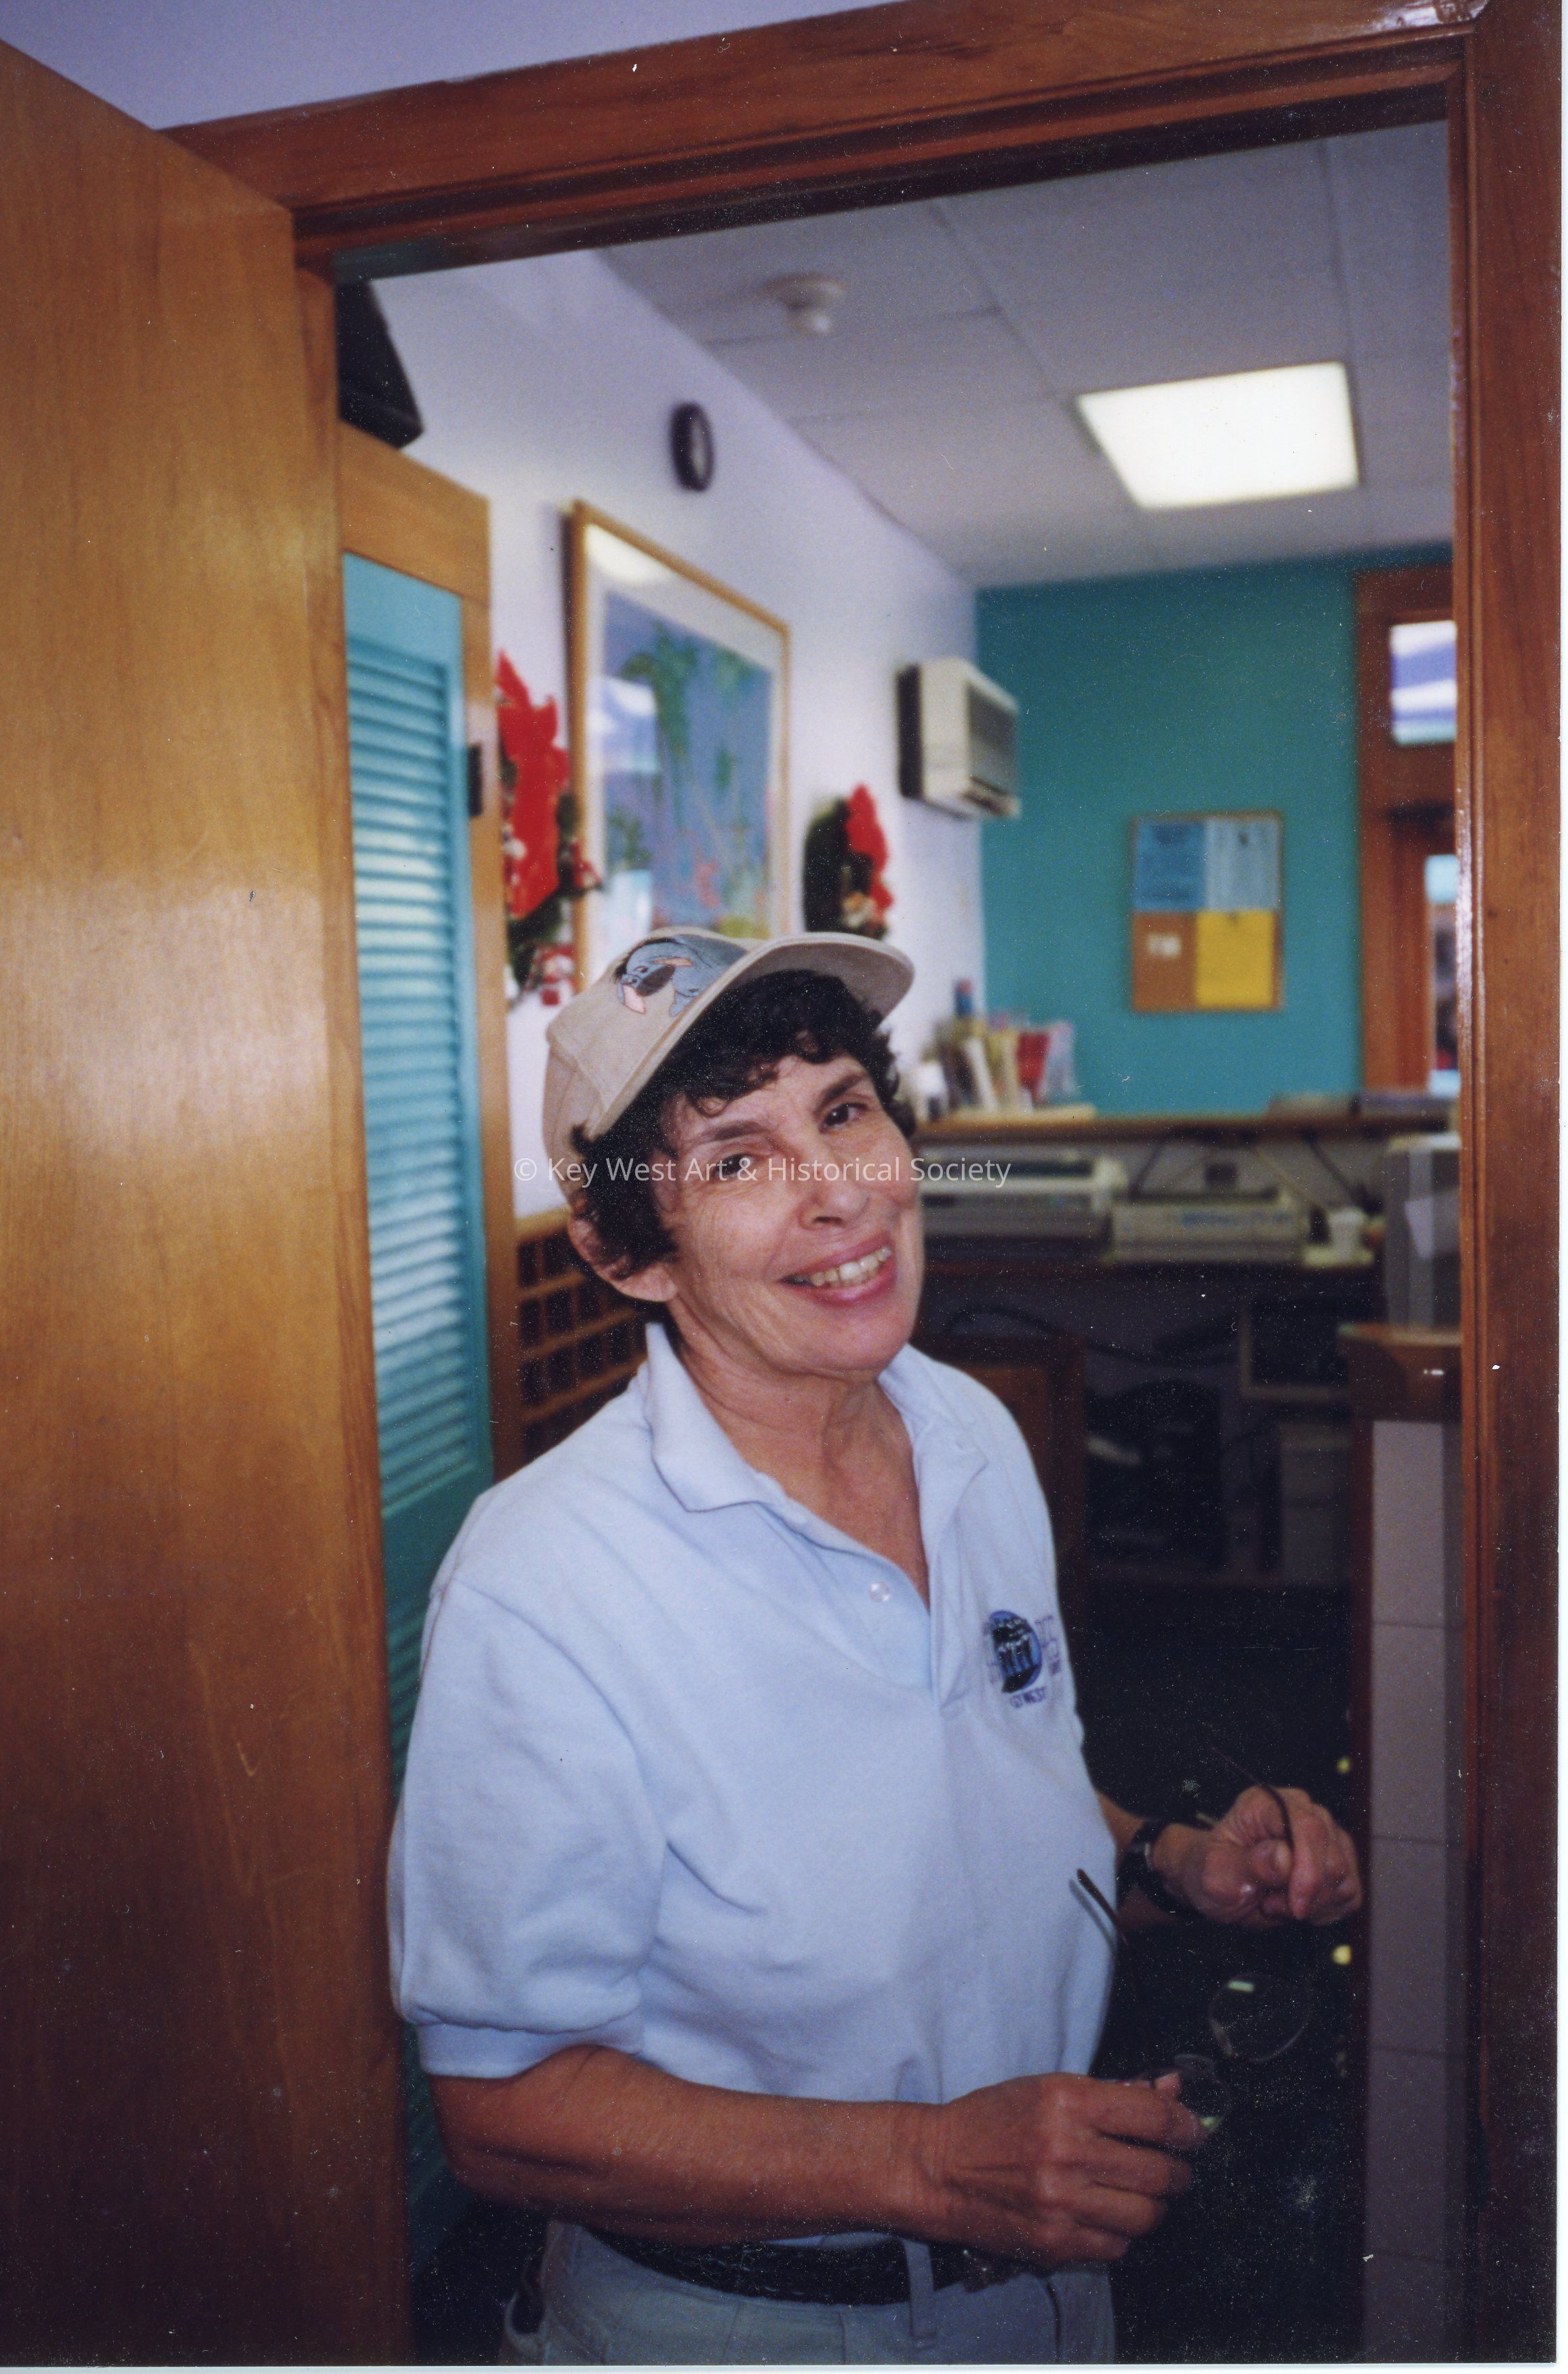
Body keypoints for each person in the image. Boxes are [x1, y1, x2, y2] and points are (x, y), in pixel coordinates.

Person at [389, 930, 1361, 2367]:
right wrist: (926, 2164)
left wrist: (1173, 1861)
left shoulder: (971, 1432)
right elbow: (502, 2107)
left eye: (843, 1109)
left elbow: (993, 1792)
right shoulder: (543, 1583)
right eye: (736, 1157)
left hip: (1041, 2287)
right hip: (743, 2326)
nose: (839, 1188)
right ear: (623, 1252)